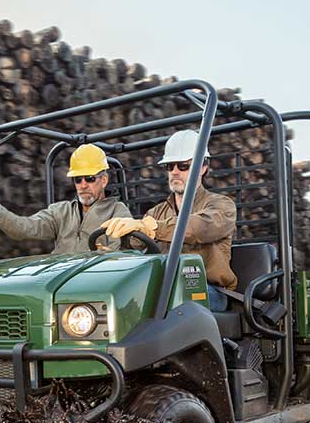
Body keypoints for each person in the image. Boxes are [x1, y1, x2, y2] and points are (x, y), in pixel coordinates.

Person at [100, 129, 238, 311]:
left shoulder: (221, 205)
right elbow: (138, 244)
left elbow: (201, 227)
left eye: (183, 166)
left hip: (208, 289)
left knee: (163, 300)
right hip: (166, 287)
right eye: (169, 166)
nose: (174, 172)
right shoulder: (156, 212)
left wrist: (153, 228)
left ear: (203, 167)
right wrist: (117, 247)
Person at [0, 143, 133, 254]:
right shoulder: (60, 211)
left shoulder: (118, 211)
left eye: (89, 178)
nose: (83, 185)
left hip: (94, 288)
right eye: (77, 179)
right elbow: (23, 228)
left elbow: (118, 258)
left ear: (103, 180)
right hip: (59, 284)